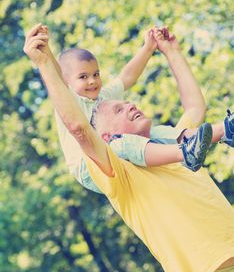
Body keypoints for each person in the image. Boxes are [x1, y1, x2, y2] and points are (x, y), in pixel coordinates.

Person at [24, 25, 234, 272]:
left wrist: (169, 51)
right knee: (135, 145)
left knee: (190, 135)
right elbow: (80, 128)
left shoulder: (168, 143)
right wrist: (45, 62)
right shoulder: (118, 167)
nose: (130, 104)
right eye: (120, 109)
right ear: (105, 134)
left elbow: (194, 107)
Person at [35, 24, 214, 195]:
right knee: (122, 143)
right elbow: (56, 77)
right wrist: (45, 49)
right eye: (83, 77)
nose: (92, 81)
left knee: (156, 132)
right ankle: (184, 152)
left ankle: (219, 133)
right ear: (67, 82)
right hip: (89, 167)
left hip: (110, 154)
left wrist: (148, 48)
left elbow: (127, 76)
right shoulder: (70, 99)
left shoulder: (104, 96)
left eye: (96, 74)